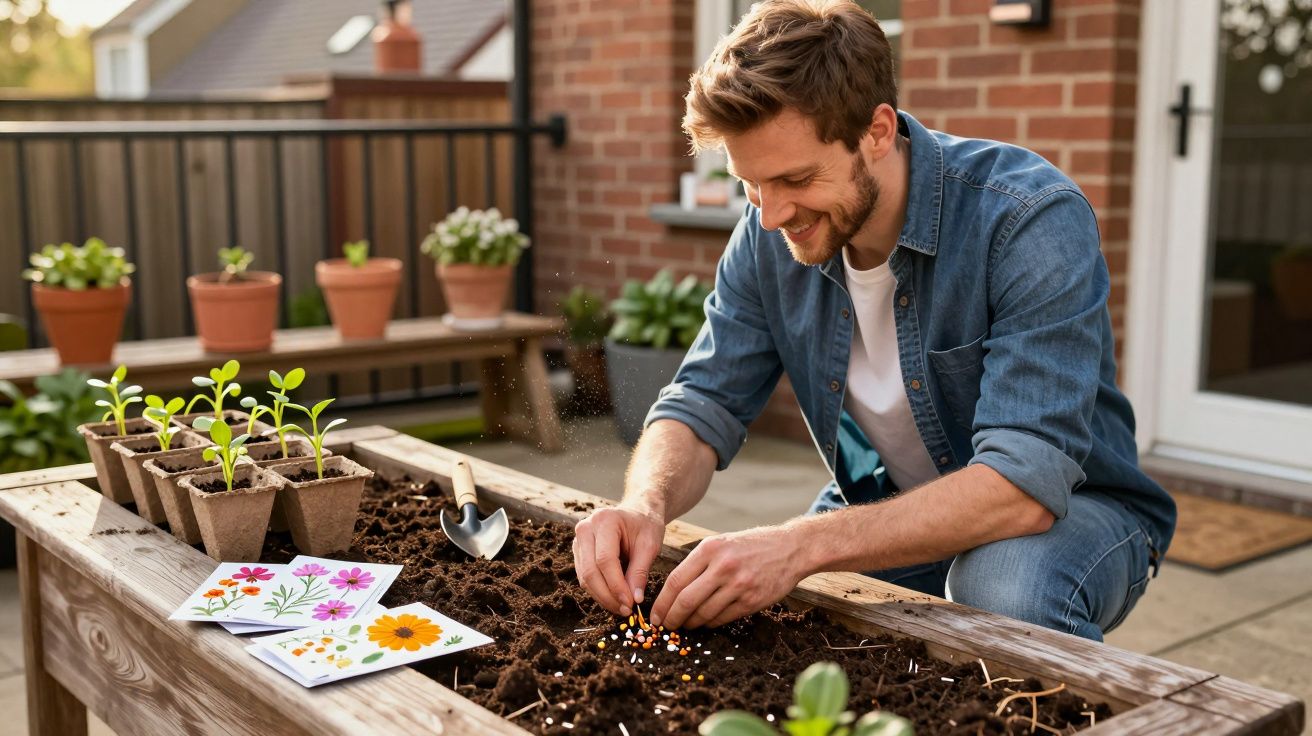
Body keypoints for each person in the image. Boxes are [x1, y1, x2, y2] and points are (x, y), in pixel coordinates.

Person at [572, 0, 1175, 642]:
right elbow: (701, 401)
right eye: (751, 184)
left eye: (796, 178)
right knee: (788, 629)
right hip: (889, 500)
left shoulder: (1027, 220)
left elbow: (1024, 484)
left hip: (1074, 512)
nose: (772, 216)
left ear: (878, 132)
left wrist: (801, 543)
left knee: (999, 588)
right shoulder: (767, 232)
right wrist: (644, 503)